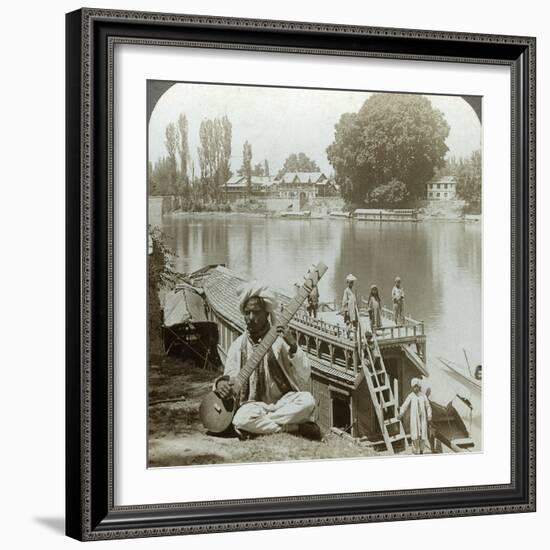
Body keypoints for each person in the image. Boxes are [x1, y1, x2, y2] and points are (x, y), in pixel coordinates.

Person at [215, 282, 322, 440]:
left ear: (267, 314)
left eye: (256, 312)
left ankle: (261, 427)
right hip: (254, 407)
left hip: (284, 403)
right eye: (247, 312)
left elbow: (305, 373)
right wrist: (220, 384)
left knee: (308, 401)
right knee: (240, 419)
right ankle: (294, 427)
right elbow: (229, 377)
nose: (251, 318)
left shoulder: (280, 341)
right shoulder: (237, 346)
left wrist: (293, 346)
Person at [397, 377, 432, 455]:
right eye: (414, 387)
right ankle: (415, 452)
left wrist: (429, 415)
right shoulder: (411, 396)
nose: (415, 388)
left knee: (422, 436)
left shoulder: (423, 396)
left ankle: (421, 451)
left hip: (422, 419)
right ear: (412, 388)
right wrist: (400, 414)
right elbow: (405, 405)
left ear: (419, 387)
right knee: (415, 436)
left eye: (416, 386)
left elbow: (428, 406)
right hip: (415, 419)